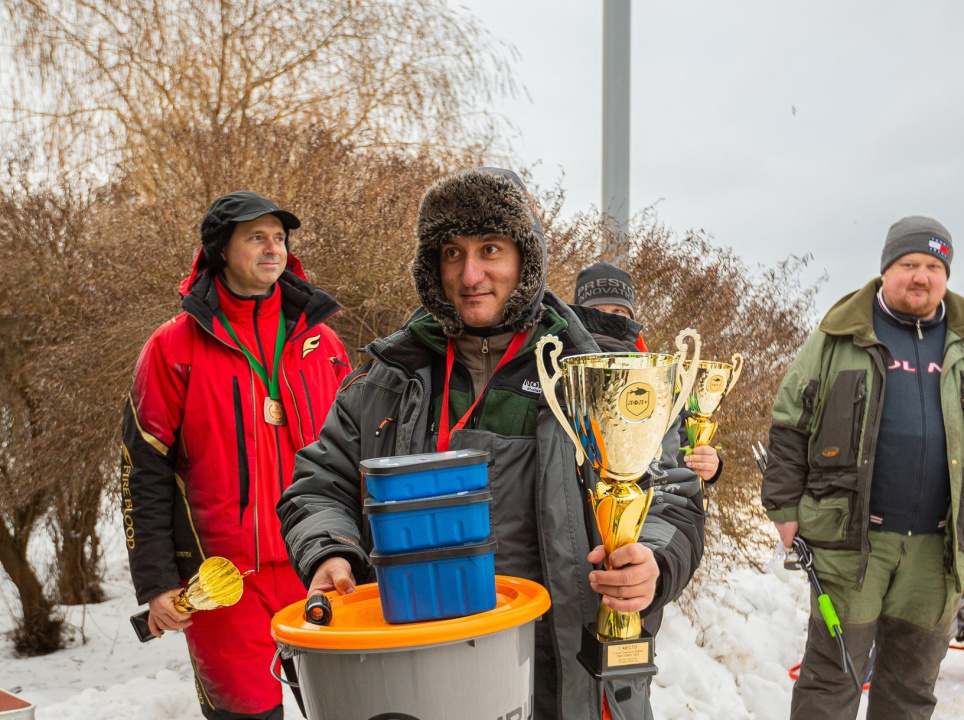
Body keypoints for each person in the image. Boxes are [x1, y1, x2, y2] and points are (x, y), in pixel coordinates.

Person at [277, 168, 705, 720]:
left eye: (490, 249)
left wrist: (654, 560)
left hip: (570, 677)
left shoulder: (599, 375)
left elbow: (671, 495)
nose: (469, 273)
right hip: (425, 673)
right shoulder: (389, 378)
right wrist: (330, 548)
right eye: (451, 253)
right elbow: (318, 485)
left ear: (526, 259)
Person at [121, 190, 352, 720]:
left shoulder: (324, 343)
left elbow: (353, 457)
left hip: (319, 566)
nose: (272, 248)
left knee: (345, 708)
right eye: (256, 237)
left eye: (279, 238)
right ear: (221, 250)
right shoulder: (173, 347)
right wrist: (158, 583)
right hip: (223, 582)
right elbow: (143, 471)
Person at [762, 215, 964, 720]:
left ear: (946, 275)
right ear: (885, 270)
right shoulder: (839, 334)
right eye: (908, 264)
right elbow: (790, 423)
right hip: (852, 547)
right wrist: (785, 509)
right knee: (831, 680)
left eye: (933, 266)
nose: (921, 276)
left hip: (937, 555)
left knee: (912, 687)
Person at [572, 261, 722, 486]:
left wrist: (709, 464)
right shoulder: (564, 366)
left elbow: (677, 447)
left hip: (646, 507)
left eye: (618, 311)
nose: (608, 319)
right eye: (596, 311)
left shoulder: (658, 373)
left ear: (631, 316)